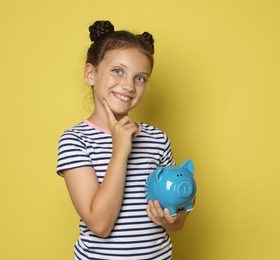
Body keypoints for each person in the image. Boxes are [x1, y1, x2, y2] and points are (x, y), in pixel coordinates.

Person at [56, 20, 190, 260]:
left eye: (140, 78)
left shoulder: (157, 139)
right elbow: (100, 225)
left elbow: (177, 218)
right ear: (91, 74)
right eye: (118, 71)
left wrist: (171, 219)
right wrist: (120, 151)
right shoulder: (75, 140)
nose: (129, 85)